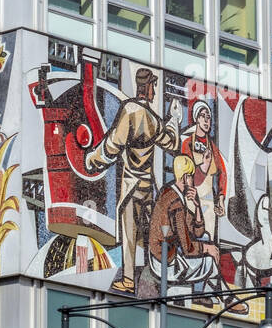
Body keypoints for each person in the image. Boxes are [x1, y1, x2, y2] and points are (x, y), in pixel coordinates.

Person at [84, 67, 180, 294]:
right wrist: (174, 119)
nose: (155, 90)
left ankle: (128, 280)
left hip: (131, 185)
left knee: (130, 235)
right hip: (148, 187)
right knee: (151, 236)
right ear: (147, 87)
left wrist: (92, 160)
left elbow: (111, 147)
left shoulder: (130, 111)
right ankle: (154, 277)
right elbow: (172, 142)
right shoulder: (154, 120)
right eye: (154, 86)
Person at [146, 155, 223, 293]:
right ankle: (212, 294)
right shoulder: (176, 204)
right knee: (210, 260)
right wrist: (206, 249)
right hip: (166, 262)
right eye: (192, 176)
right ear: (186, 177)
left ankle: (214, 291)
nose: (193, 180)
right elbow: (187, 247)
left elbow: (197, 231)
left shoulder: (170, 192)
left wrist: (197, 206)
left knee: (205, 237)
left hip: (165, 253)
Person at [181, 98, 227, 242]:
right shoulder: (187, 144)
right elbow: (187, 175)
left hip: (208, 203)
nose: (207, 120)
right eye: (203, 116)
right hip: (191, 201)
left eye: (209, 117)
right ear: (196, 119)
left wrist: (220, 198)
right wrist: (204, 166)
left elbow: (223, 173)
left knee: (208, 242)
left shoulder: (213, 148)